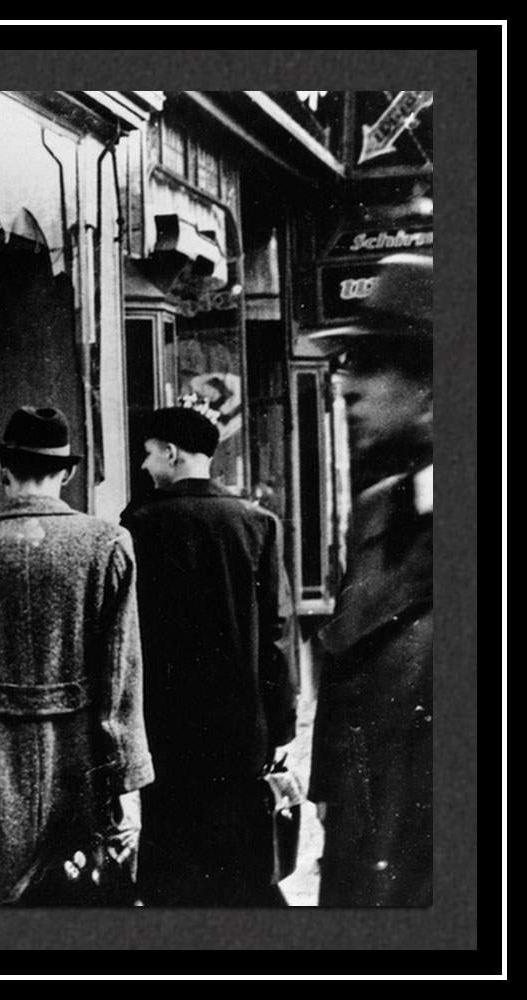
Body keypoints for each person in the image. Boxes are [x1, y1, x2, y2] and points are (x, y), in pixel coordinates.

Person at [0, 405, 155, 906]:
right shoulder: (107, 545)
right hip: (82, 763)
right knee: (85, 906)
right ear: (68, 473)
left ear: (3, 470)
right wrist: (124, 776)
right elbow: (122, 673)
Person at [120, 406, 297, 906]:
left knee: (173, 862)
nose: (146, 466)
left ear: (171, 453)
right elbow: (277, 634)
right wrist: (279, 725)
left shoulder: (140, 523)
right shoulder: (257, 523)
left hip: (166, 725)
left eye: (150, 454)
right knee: (241, 864)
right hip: (241, 727)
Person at [307, 252, 433, 907]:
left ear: (431, 388)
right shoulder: (375, 512)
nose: (348, 388)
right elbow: (344, 660)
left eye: (371, 364)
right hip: (364, 868)